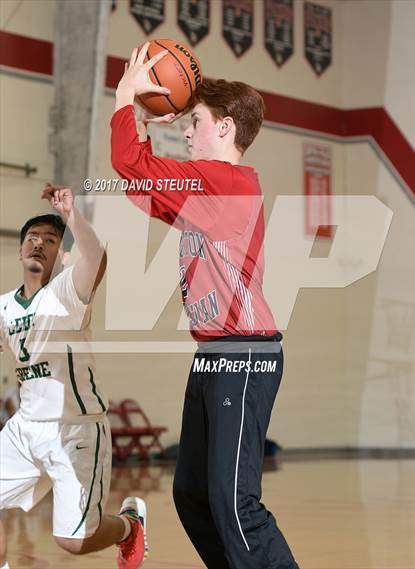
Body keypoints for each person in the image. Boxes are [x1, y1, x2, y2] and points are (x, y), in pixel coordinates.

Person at [110, 43, 300, 569]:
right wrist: (143, 123)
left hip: (244, 356)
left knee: (235, 505)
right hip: (216, 357)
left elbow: (132, 164)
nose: (187, 131)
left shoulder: (227, 184)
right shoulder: (205, 193)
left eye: (195, 120)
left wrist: (127, 98)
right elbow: (139, 184)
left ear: (225, 128)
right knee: (193, 496)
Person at [0, 185, 148, 569]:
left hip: (75, 429)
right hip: (24, 428)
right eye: (31, 238)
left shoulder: (67, 290)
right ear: (19, 251)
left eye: (49, 240)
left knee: (73, 542)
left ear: (62, 254)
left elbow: (96, 257)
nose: (38, 244)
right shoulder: (3, 307)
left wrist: (71, 217)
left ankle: (129, 526)